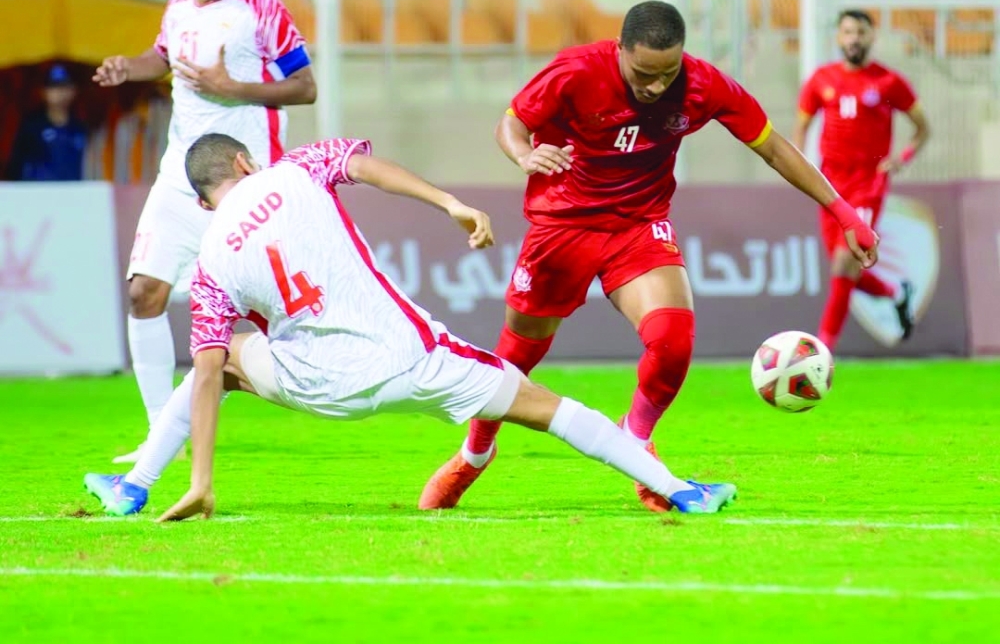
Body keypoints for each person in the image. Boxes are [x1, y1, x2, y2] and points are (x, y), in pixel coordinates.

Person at [84, 133, 737, 520]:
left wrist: (202, 481)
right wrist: (449, 202)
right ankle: (680, 491)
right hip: (412, 359)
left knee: (224, 362)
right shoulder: (297, 167)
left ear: (202, 200)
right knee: (546, 406)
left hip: (317, 385)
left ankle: (136, 486)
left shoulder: (209, 267)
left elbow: (203, 370)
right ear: (248, 164)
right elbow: (367, 166)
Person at [418, 0, 879, 513]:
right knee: (517, 357)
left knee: (673, 339)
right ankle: (475, 453)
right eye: (643, 73)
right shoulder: (575, 72)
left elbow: (773, 148)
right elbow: (511, 124)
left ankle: (635, 441)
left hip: (639, 225)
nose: (656, 86)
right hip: (562, 226)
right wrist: (524, 154)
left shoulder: (705, 86)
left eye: (668, 73)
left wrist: (844, 213)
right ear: (619, 51)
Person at [93, 0, 316, 464]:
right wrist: (130, 68)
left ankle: (340, 379)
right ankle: (156, 433)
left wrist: (232, 87)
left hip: (243, 184)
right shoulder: (175, 10)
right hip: (178, 177)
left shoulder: (265, 10)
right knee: (145, 292)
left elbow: (306, 87)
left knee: (274, 311)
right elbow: (163, 58)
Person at [792, 9, 930, 352]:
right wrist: (799, 165)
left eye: (861, 32)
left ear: (872, 37)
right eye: (848, 32)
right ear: (839, 37)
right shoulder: (820, 80)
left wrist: (903, 158)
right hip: (829, 184)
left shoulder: (888, 82)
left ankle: (822, 349)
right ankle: (897, 293)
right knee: (846, 271)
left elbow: (923, 129)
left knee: (845, 261)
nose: (854, 38)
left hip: (868, 184)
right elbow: (801, 127)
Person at [6, 64, 88, 182]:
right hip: (38, 195)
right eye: (53, 87)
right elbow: (15, 167)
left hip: (74, 194)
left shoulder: (81, 128)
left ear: (74, 91)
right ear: (43, 92)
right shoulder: (31, 128)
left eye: (64, 87)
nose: (59, 93)